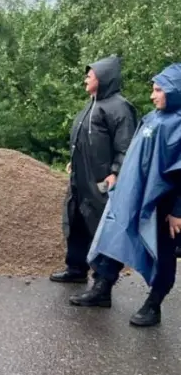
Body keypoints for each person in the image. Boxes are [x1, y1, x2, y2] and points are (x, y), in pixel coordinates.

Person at [71, 63, 181, 327]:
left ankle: (153, 304)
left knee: (163, 253)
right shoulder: (153, 118)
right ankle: (102, 289)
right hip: (134, 195)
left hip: (164, 203)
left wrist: (178, 211)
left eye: (158, 90)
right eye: (153, 90)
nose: (153, 96)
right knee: (116, 237)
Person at [51, 55, 138, 283]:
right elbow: (85, 140)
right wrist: (75, 160)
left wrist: (116, 172)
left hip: (101, 182)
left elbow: (125, 145)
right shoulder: (93, 104)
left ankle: (102, 284)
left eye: (89, 76)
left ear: (103, 78)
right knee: (77, 222)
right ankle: (76, 269)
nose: (85, 80)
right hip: (82, 179)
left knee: (101, 229)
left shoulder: (119, 107)